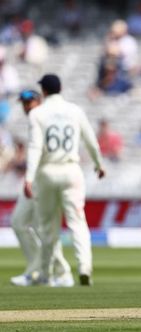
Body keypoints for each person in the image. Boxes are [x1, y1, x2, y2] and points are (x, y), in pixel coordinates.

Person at [24, 74, 106, 286]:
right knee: (78, 222)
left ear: (43, 91)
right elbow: (90, 140)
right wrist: (99, 164)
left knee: (47, 226)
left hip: (47, 172)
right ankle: (85, 266)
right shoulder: (74, 110)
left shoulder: (37, 113)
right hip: (72, 171)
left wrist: (28, 178)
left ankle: (45, 273)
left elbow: (34, 147)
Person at [11, 89, 74, 287]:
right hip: (33, 181)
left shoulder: (46, 119)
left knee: (44, 228)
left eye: (29, 102)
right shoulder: (32, 120)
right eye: (23, 103)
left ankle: (61, 272)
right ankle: (36, 270)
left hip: (45, 181)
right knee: (19, 222)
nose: (26, 106)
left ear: (39, 101)